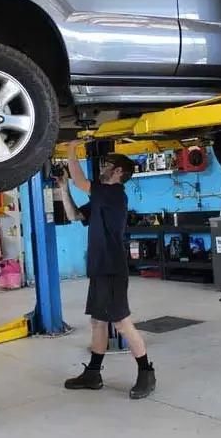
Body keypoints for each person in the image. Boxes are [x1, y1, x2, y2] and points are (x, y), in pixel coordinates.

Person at [56, 140, 156, 399]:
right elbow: (74, 216)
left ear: (119, 172)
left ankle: (146, 373)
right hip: (99, 268)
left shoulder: (114, 194)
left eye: (107, 165)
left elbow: (81, 181)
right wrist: (63, 188)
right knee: (98, 322)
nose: (102, 167)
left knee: (122, 323)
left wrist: (70, 150)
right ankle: (93, 373)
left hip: (112, 268)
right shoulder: (101, 198)